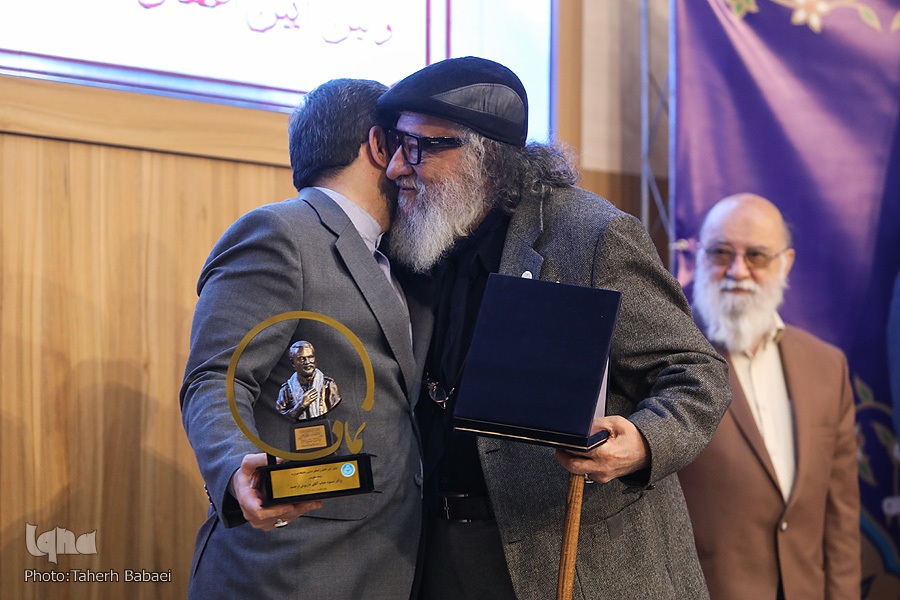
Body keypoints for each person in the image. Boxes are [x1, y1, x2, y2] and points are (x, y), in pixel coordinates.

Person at [376, 56, 731, 600]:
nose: (398, 167)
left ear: (483, 157)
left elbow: (697, 374)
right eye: (396, 144)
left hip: (574, 560)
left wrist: (642, 442)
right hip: (437, 552)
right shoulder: (417, 240)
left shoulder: (591, 235)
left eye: (419, 147)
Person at [179, 78, 432, 600]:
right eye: (407, 146)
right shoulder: (280, 233)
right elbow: (216, 379)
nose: (414, 166)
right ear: (378, 145)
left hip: (387, 565)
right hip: (288, 571)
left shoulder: (402, 259)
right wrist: (236, 467)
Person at [678, 193, 860, 599]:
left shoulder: (827, 367)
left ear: (786, 262)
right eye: (721, 253)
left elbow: (841, 521)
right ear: (699, 256)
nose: (737, 271)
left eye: (757, 256)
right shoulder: (668, 355)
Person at [275, 340, 342, 420]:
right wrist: (301, 405)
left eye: (310, 357)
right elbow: (282, 414)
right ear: (293, 363)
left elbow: (334, 402)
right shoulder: (285, 390)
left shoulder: (328, 385)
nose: (307, 362)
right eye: (301, 359)